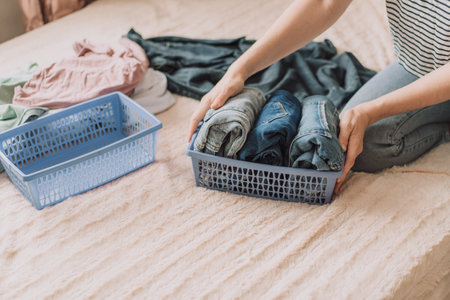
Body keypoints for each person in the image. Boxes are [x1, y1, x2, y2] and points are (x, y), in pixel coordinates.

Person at [187, 0, 450, 193]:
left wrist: (374, 110)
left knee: (366, 147)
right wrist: (240, 69)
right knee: (347, 138)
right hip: (415, 64)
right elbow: (323, 4)